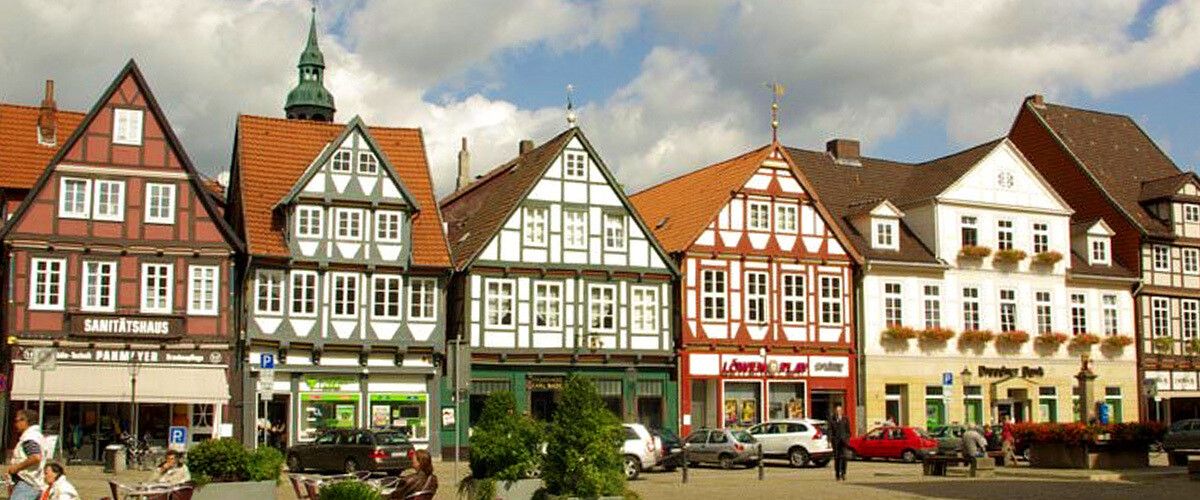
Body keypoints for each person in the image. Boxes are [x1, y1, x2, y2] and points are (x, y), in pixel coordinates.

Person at [8, 409, 46, 500]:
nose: (15, 424)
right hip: (31, 484)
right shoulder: (34, 436)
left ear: (24, 421)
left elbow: (35, 457)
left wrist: (16, 468)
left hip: (27, 484)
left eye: (17, 421)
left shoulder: (29, 438)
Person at [829, 404, 851, 482]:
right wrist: (830, 440)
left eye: (839, 410)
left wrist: (847, 439)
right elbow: (830, 430)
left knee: (844, 457)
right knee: (837, 458)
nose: (838, 412)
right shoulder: (832, 419)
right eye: (837, 411)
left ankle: (843, 473)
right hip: (836, 442)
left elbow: (848, 431)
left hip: (844, 441)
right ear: (835, 411)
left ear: (841, 411)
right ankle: (837, 474)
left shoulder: (845, 419)